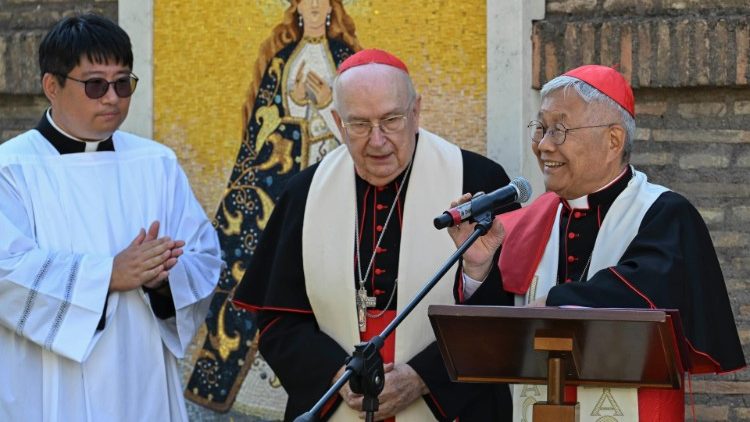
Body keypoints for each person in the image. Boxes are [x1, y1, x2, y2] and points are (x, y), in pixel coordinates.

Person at [232, 49, 517, 421]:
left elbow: (505, 314)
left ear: (416, 112)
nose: (377, 140)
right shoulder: (304, 194)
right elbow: (277, 322)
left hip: (450, 406)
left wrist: (422, 378)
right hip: (339, 404)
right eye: (360, 124)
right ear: (337, 121)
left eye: (391, 120)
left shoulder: (478, 184)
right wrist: (338, 374)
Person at [449, 64, 746, 421]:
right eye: (541, 128)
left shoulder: (665, 213)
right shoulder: (527, 223)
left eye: (558, 130)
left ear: (613, 140)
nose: (543, 145)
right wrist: (477, 269)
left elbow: (646, 296)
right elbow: (498, 340)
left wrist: (556, 303)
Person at [0, 14, 222, 421]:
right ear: (52, 86)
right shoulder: (11, 169)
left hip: (142, 377)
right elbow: (6, 272)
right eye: (95, 84)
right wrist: (107, 275)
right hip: (48, 383)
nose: (112, 98)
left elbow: (205, 257)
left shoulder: (156, 163)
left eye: (123, 83)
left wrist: (164, 280)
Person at [187, 0, 361, 406]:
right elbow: (261, 126)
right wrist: (292, 108)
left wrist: (324, 105)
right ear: (296, 6)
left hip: (334, 181)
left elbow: (364, 124)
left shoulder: (347, 61)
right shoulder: (281, 60)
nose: (315, 5)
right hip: (281, 186)